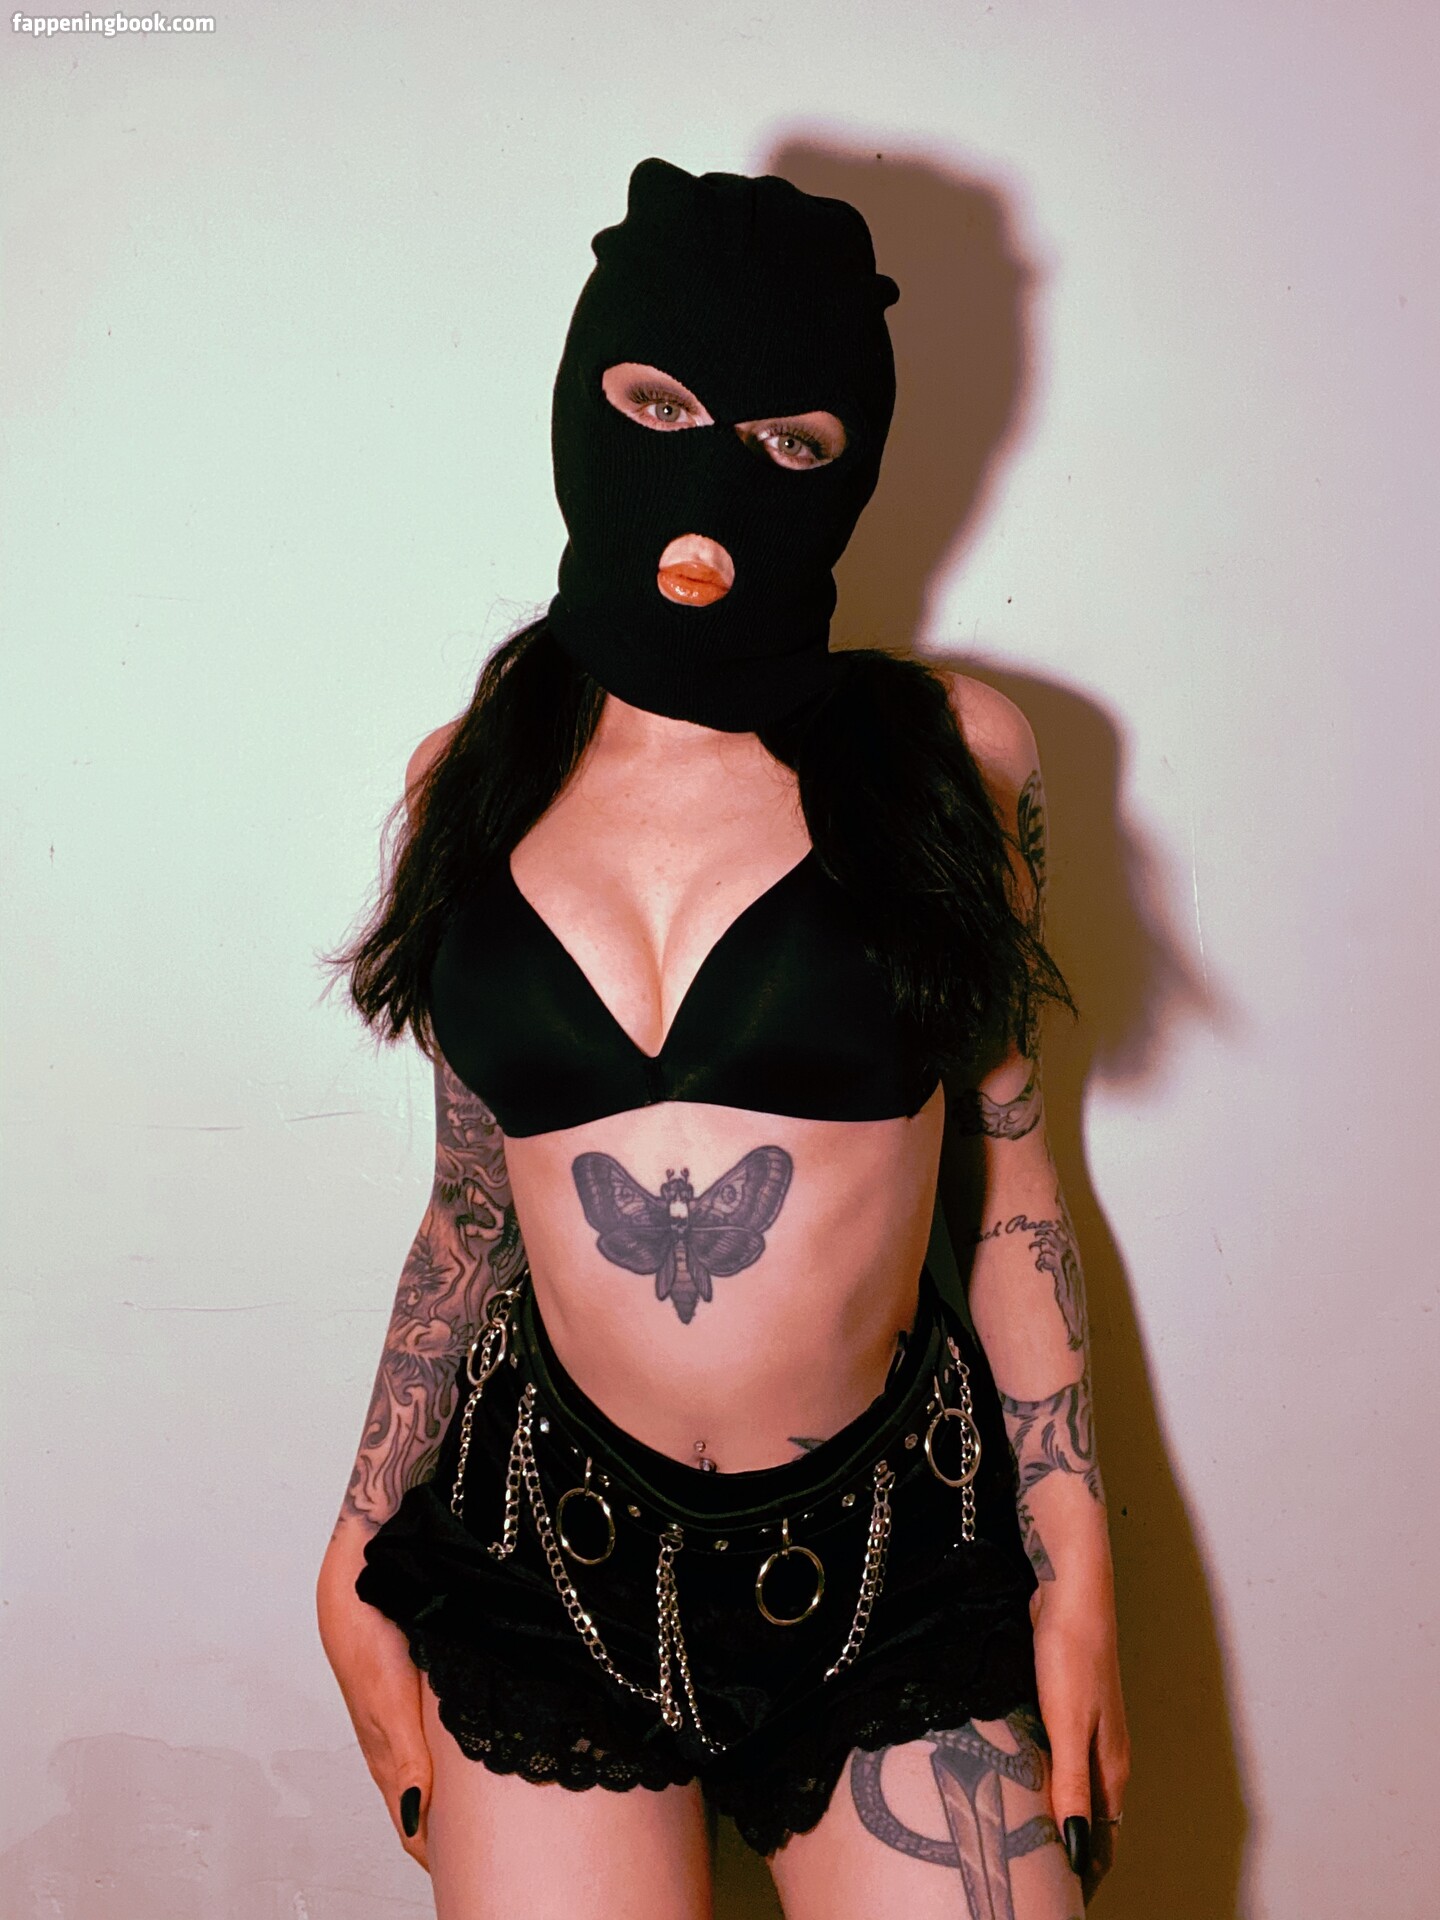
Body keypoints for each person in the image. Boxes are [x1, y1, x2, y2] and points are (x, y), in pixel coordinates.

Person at [316, 157, 1129, 1919]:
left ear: (856, 461)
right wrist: (354, 1536)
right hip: (543, 1556)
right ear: (582, 396)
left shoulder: (954, 760)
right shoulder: (469, 780)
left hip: (892, 1565)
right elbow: (471, 1207)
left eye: (789, 440)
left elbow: (1009, 1186)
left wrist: (1077, 1575)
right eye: (661, 408)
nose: (713, 478)